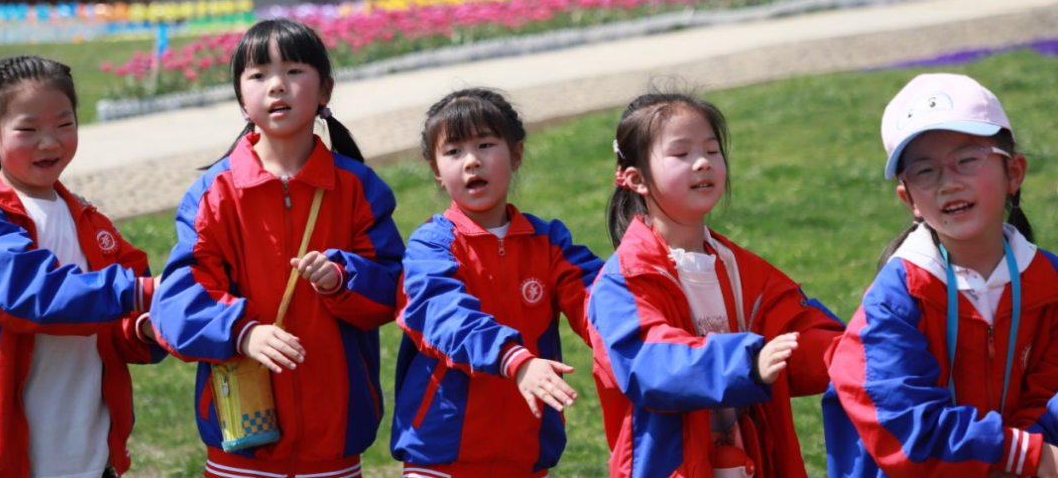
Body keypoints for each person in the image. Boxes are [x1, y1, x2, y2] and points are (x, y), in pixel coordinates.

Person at [150, 19, 404, 478]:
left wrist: (343, 279)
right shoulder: (214, 194)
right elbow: (178, 300)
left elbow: (394, 290)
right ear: (240, 99)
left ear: (325, 89)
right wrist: (242, 332)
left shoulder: (359, 189)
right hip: (242, 445)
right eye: (259, 74)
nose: (277, 86)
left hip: (333, 444)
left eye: (294, 71)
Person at [588, 90, 843, 478]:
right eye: (682, 154)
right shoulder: (624, 280)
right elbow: (651, 365)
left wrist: (855, 353)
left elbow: (795, 330)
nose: (703, 163)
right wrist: (746, 363)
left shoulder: (739, 266)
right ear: (637, 179)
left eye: (712, 150)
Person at [825, 73, 1058, 477]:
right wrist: (1027, 457)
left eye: (967, 159)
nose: (948, 182)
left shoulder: (1048, 280)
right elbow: (904, 426)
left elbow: (1050, 395)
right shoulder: (894, 301)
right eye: (925, 171)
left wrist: (1019, 457)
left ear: (1014, 173)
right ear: (909, 199)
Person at [391, 88, 604, 478]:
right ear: (436, 170)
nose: (471, 161)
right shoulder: (431, 245)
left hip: (525, 455)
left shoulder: (550, 242)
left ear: (517, 154)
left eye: (486, 144)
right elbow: (443, 314)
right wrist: (514, 360)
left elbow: (600, 302)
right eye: (453, 151)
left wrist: (645, 323)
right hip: (439, 458)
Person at [0, 55, 164, 476]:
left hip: (91, 454)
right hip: (6, 456)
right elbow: (27, 293)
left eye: (64, 124)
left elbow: (123, 323)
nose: (50, 142)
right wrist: (138, 291)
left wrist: (147, 327)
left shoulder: (92, 223)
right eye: (28, 129)